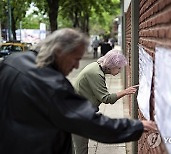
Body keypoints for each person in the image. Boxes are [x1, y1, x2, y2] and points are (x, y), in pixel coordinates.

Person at [0, 28, 156, 154]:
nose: (76, 66)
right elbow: (90, 123)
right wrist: (136, 127)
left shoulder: (12, 61)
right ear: (60, 51)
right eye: (76, 59)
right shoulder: (54, 86)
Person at [72, 49, 141, 154]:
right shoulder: (96, 73)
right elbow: (106, 98)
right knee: (81, 149)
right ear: (110, 65)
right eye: (118, 68)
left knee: (77, 146)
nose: (119, 71)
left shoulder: (96, 67)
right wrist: (125, 92)